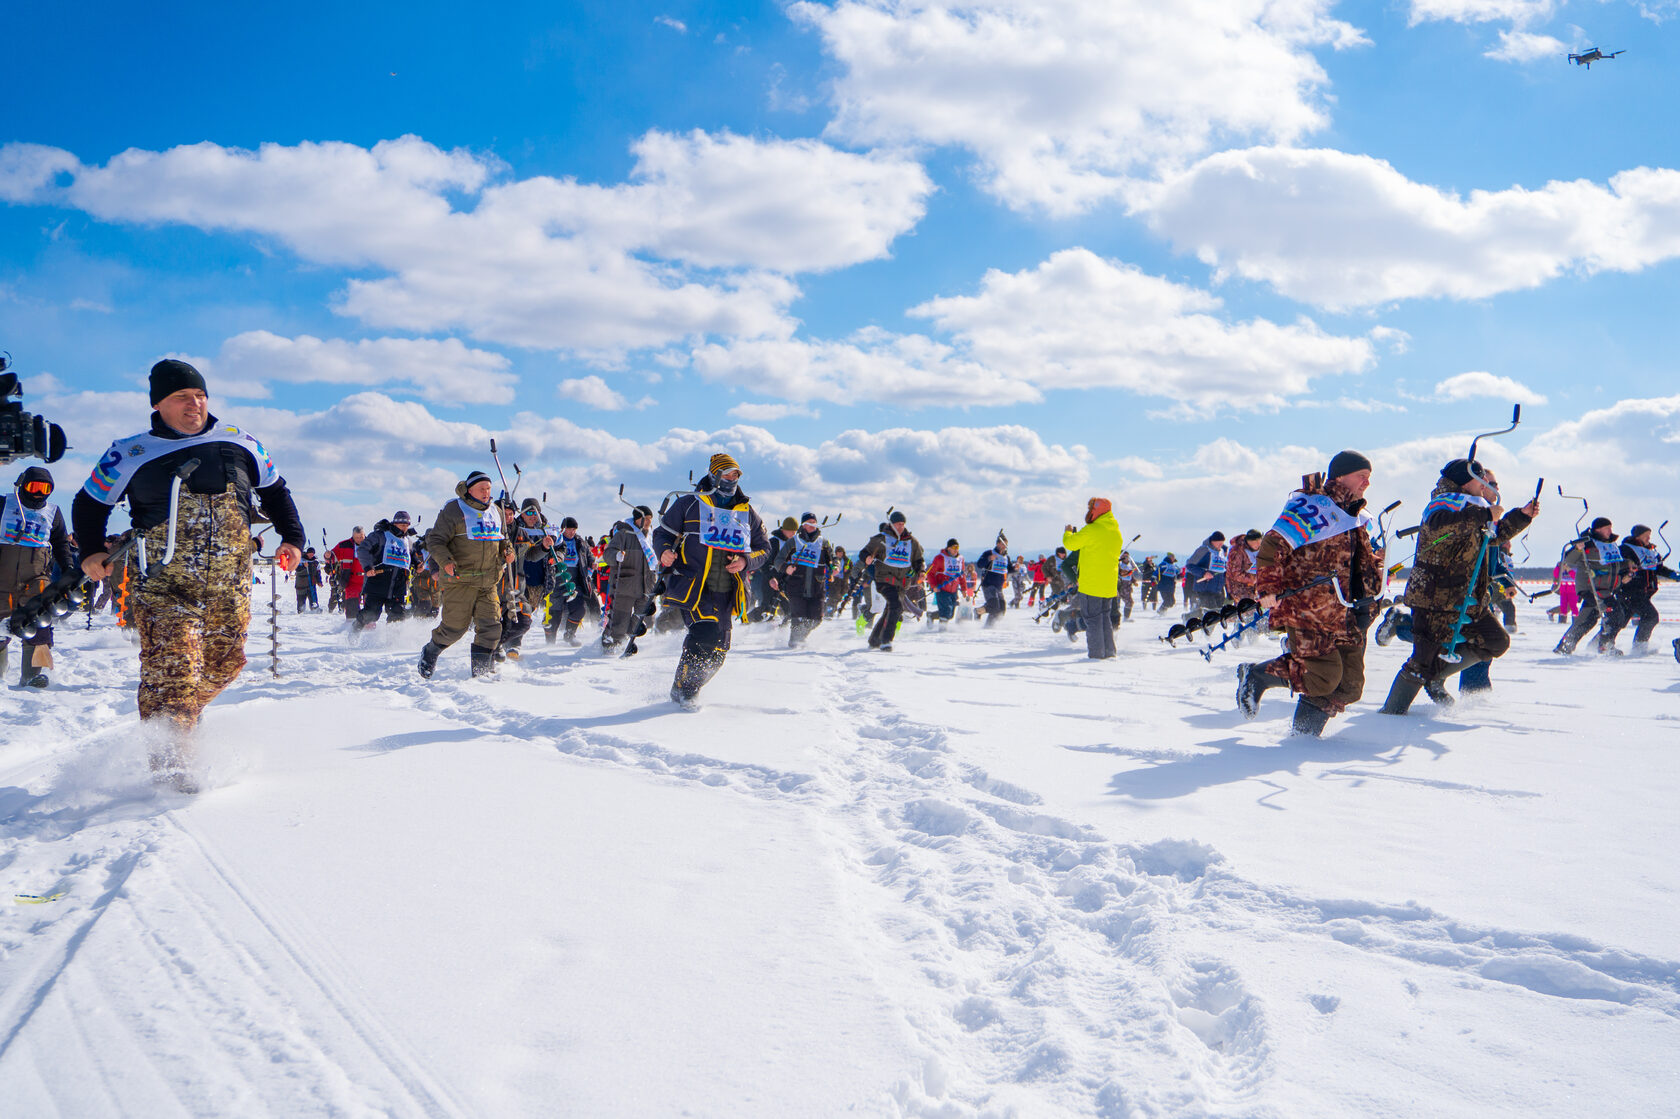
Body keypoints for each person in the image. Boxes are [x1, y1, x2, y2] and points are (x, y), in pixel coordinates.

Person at [74, 359, 305, 790]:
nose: (194, 404)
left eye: (200, 396)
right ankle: (173, 770)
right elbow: (89, 504)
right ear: (158, 404)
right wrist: (89, 551)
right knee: (173, 671)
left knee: (225, 665)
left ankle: (178, 722)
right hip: (164, 584)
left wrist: (292, 537)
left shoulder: (240, 442)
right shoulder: (129, 452)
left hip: (229, 585)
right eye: (182, 397)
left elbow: (276, 492)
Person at [1235, 451, 1384, 737]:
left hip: (1348, 610)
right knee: (1322, 677)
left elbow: (1357, 559)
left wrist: (1377, 567)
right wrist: (1268, 588)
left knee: (1349, 686)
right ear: (1340, 475)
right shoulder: (1313, 507)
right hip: (1309, 609)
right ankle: (1256, 675)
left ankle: (1302, 741)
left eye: (1369, 478)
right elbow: (1271, 547)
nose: (1366, 483)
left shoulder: (1355, 514)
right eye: (1361, 476)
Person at [1378, 459, 1536, 715]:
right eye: (1481, 479)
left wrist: (1522, 516)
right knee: (1421, 661)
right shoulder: (1444, 502)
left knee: (1496, 641)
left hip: (1469, 599)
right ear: (1466, 481)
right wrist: (1485, 514)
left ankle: (1435, 675)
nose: (1486, 486)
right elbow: (1442, 525)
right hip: (1435, 598)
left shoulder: (1473, 506)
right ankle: (1391, 715)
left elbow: (1492, 537)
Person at [653, 453, 769, 707]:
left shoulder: (746, 511)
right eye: (727, 474)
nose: (731, 479)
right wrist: (664, 551)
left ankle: (689, 686)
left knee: (718, 652)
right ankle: (684, 692)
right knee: (703, 634)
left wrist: (745, 561)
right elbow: (662, 533)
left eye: (736, 474)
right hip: (694, 586)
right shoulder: (690, 504)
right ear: (714, 475)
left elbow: (764, 548)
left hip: (728, 590)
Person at [417, 470, 517, 680]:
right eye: (481, 489)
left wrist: (508, 551)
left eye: (488, 488)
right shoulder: (454, 509)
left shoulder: (496, 511)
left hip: (488, 581)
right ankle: (431, 650)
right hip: (460, 580)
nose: (486, 492)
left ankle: (479, 675)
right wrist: (446, 562)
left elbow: (501, 539)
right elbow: (435, 540)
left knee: (491, 628)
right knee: (455, 628)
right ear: (469, 490)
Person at [1, 467, 73, 686]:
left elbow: (61, 542)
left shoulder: (53, 512)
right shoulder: (5, 504)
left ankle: (32, 676)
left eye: (45, 488)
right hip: (2, 574)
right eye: (34, 487)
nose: (39, 493)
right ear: (23, 485)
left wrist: (68, 568)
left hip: (36, 576)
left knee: (37, 623)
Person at [1555, 517, 1630, 655]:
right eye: (1607, 528)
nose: (1610, 531)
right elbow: (1568, 559)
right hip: (1591, 588)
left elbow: (1615, 565)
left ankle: (1568, 646)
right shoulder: (1587, 543)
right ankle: (1601, 646)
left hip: (1606, 590)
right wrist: (1577, 549)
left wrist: (1628, 565)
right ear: (1598, 529)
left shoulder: (1611, 545)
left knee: (1592, 620)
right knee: (1613, 615)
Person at [1061, 497, 1124, 659]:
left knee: (1093, 620)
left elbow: (1071, 544)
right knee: (1105, 620)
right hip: (1108, 586)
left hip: (1091, 584)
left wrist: (1067, 532)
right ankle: (1109, 653)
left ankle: (1096, 656)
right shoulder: (1116, 532)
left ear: (1096, 511)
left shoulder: (1092, 530)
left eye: (1091, 509)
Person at [1601, 524, 1679, 654]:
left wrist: (1673, 575)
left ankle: (1602, 642)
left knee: (1620, 619)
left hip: (1643, 592)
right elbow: (1621, 565)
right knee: (1651, 616)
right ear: (1637, 536)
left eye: (1650, 535)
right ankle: (1639, 646)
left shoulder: (1651, 551)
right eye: (1646, 535)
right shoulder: (1626, 549)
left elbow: (1658, 568)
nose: (1649, 538)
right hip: (1630, 591)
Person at [860, 511, 924, 651]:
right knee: (896, 606)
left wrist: (921, 572)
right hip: (884, 580)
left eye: (902, 524)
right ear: (891, 524)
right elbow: (863, 552)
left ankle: (874, 640)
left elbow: (918, 560)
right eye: (898, 524)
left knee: (890, 609)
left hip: (902, 583)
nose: (901, 527)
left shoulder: (911, 542)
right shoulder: (881, 539)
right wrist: (867, 558)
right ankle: (886, 640)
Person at [604, 505, 660, 652]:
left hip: (647, 585)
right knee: (619, 622)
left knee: (643, 618)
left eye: (650, 519)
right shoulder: (624, 533)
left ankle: (625, 642)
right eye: (645, 518)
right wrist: (616, 556)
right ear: (636, 519)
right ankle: (609, 647)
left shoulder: (652, 536)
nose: (648, 521)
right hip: (625, 585)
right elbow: (608, 553)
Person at [357, 511, 414, 627]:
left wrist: (418, 565)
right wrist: (368, 567)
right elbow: (362, 549)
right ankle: (354, 631)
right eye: (402, 525)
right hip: (378, 582)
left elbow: (411, 557)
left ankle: (391, 642)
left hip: (398, 584)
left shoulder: (407, 542)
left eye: (407, 526)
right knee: (371, 614)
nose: (405, 528)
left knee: (397, 615)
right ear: (395, 524)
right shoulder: (380, 536)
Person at [546, 516, 596, 646]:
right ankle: (550, 642)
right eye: (569, 529)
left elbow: (589, 556)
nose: (572, 532)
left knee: (579, 609)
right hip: (557, 580)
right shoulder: (556, 540)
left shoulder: (580, 542)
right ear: (563, 529)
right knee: (554, 614)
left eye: (574, 529)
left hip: (574, 580)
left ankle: (569, 634)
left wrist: (592, 562)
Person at [330, 527, 366, 626]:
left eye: (361, 537)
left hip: (368, 581)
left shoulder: (371, 544)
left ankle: (369, 630)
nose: (359, 539)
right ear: (353, 536)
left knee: (370, 608)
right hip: (351, 581)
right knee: (352, 607)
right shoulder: (344, 545)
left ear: (364, 535)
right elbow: (333, 556)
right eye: (357, 537)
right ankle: (350, 628)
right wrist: (328, 555)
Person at [1184, 532, 1228, 613]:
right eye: (1219, 543)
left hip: (1218, 589)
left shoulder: (1221, 552)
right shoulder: (1203, 550)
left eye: (1222, 543)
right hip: (1205, 588)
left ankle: (1191, 617)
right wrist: (1203, 573)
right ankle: (1188, 618)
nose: (1221, 545)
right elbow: (1190, 565)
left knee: (1216, 613)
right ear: (1212, 541)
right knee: (1211, 613)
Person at [975, 534, 1011, 625]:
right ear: (998, 544)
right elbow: (979, 564)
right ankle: (978, 612)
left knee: (1002, 609)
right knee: (994, 605)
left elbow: (1009, 569)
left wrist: (1015, 568)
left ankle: (990, 625)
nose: (1004, 547)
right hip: (988, 584)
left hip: (999, 587)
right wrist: (989, 559)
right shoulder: (989, 553)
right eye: (1003, 544)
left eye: (1006, 545)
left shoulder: (1006, 557)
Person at [928, 538, 965, 623]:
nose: (956, 550)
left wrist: (964, 588)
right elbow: (930, 573)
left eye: (957, 547)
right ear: (949, 548)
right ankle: (942, 632)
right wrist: (934, 586)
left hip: (954, 590)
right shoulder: (940, 558)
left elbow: (962, 575)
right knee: (946, 611)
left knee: (950, 614)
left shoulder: (960, 559)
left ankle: (931, 615)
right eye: (954, 547)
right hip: (942, 589)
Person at [1224, 530, 1263, 605]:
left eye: (1259, 541)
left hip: (1256, 587)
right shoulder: (1237, 551)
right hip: (1239, 588)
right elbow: (1235, 573)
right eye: (1255, 542)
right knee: (1247, 610)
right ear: (1248, 541)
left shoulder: (1261, 549)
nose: (1257, 544)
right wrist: (1252, 579)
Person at [295, 547, 323, 612]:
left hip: (312, 584)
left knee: (313, 599)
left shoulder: (316, 562)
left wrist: (319, 581)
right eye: (310, 553)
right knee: (301, 601)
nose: (311, 555)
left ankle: (315, 609)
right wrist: (303, 566)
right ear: (307, 553)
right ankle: (300, 611)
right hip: (301, 584)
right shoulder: (300, 560)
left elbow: (318, 573)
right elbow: (297, 570)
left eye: (312, 554)